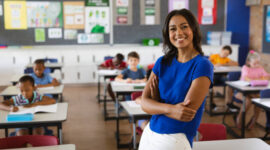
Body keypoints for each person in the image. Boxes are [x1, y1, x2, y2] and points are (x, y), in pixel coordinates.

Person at [139, 9, 213, 150]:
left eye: (184, 27)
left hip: (174, 138)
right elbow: (144, 103)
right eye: (172, 29)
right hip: (149, 132)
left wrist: (156, 104)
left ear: (193, 29)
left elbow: (185, 113)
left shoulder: (202, 65)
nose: (178, 33)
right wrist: (171, 108)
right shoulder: (162, 62)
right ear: (168, 34)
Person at [226, 50, 270, 129]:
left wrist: (257, 79)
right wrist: (260, 79)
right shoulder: (245, 68)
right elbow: (247, 79)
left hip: (253, 91)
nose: (257, 65)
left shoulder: (260, 68)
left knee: (259, 100)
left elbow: (267, 76)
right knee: (248, 101)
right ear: (249, 62)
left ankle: (254, 120)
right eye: (254, 63)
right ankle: (239, 118)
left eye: (258, 63)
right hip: (240, 91)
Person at [209, 45, 239, 110]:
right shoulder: (214, 56)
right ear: (222, 50)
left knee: (230, 83)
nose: (225, 55)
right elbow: (207, 63)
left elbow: (236, 64)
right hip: (213, 76)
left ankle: (229, 103)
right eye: (225, 53)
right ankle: (212, 103)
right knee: (209, 84)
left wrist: (223, 64)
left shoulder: (226, 59)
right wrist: (214, 65)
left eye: (227, 54)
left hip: (221, 77)